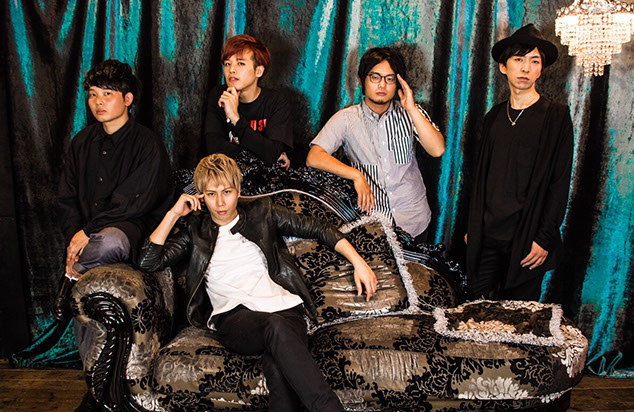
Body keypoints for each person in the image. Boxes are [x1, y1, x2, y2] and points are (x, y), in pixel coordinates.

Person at [137, 153, 377, 412]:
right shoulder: (195, 229)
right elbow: (148, 262)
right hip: (235, 317)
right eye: (211, 194)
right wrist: (174, 213)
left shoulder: (262, 212)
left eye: (227, 192)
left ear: (238, 190)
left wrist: (359, 262)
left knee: (277, 366)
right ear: (201, 196)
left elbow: (318, 227)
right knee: (274, 327)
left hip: (285, 309)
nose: (220, 202)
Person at [465, 24, 574, 301]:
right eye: (518, 59)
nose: (526, 68)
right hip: (488, 235)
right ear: (504, 67)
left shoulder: (556, 117)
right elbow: (481, 177)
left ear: (541, 69)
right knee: (475, 308)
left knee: (520, 315)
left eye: (534, 61)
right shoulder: (493, 116)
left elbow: (559, 182)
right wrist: (473, 228)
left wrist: (544, 237)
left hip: (527, 237)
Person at [306, 47, 445, 241]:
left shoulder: (411, 112)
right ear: (361, 81)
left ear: (398, 83)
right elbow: (314, 157)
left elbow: (437, 149)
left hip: (414, 220)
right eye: (375, 77)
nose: (382, 85)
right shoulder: (346, 119)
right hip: (374, 225)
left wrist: (412, 109)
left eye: (390, 79)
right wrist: (356, 175)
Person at [203, 34, 292, 169]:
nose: (231, 70)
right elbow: (214, 149)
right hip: (226, 173)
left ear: (258, 71)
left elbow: (272, 153)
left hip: (262, 176)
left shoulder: (276, 102)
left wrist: (235, 118)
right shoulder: (218, 95)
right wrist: (262, 153)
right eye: (227, 64)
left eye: (241, 63)